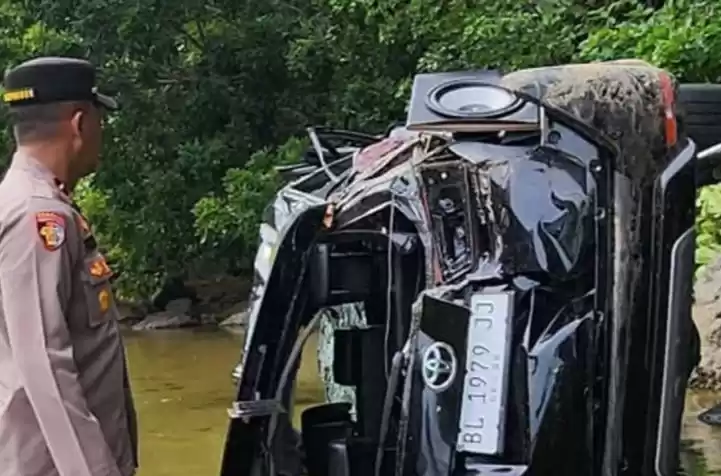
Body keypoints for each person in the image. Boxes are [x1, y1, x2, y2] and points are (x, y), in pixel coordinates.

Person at [0, 57, 138, 476]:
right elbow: (44, 364)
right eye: (100, 121)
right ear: (80, 124)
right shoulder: (37, 217)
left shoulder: (30, 202)